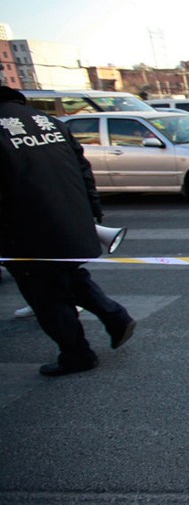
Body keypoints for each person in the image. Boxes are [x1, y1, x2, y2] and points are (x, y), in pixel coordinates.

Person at [0, 86, 136, 377]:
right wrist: (92, 212)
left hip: (24, 232)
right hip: (70, 218)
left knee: (46, 296)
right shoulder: (46, 121)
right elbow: (83, 169)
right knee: (70, 277)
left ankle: (77, 355)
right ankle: (115, 317)